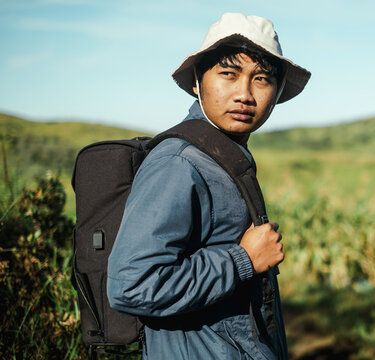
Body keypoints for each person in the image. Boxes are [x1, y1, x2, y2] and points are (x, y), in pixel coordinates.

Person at [107, 12, 310, 359]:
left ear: (276, 93)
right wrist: (243, 259)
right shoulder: (179, 162)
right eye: (228, 75)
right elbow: (131, 285)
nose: (244, 94)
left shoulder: (221, 157)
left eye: (260, 79)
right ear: (198, 82)